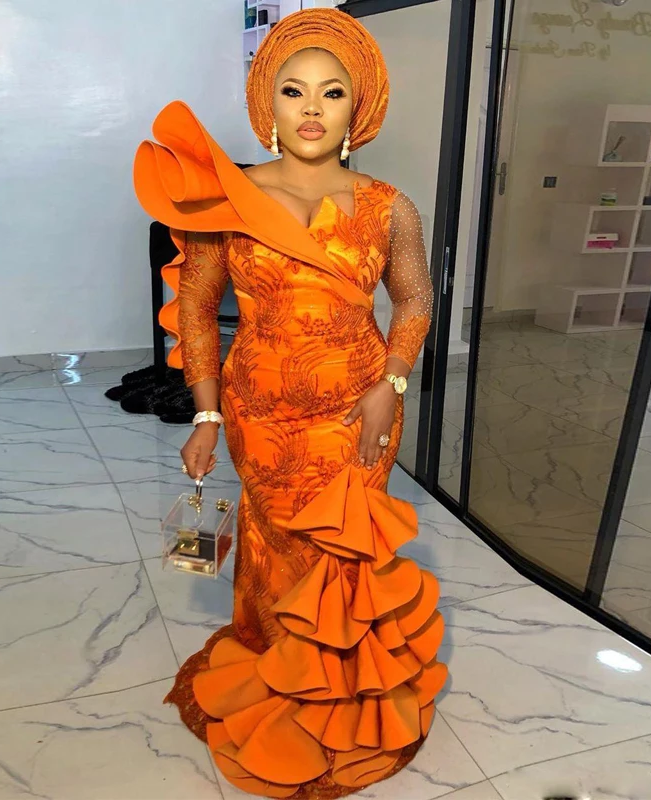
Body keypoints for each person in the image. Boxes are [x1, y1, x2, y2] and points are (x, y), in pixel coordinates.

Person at [134, 8, 447, 798]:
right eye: (293, 90)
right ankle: (278, 676)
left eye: (331, 92)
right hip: (261, 414)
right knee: (277, 547)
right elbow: (196, 310)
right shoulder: (227, 201)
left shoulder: (389, 206)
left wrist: (392, 383)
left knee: (343, 550)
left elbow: (414, 300)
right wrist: (206, 413)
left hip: (361, 408)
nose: (312, 108)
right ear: (266, 104)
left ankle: (340, 703)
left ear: (357, 108)